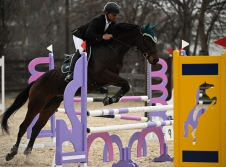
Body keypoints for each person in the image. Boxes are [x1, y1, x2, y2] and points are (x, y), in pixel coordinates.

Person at [64, 2, 120, 83]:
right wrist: (102, 37)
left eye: (116, 15)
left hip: (92, 39)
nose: (115, 17)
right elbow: (88, 34)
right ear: (107, 13)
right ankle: (70, 73)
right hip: (80, 35)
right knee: (80, 50)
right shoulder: (97, 20)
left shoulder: (112, 24)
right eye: (113, 14)